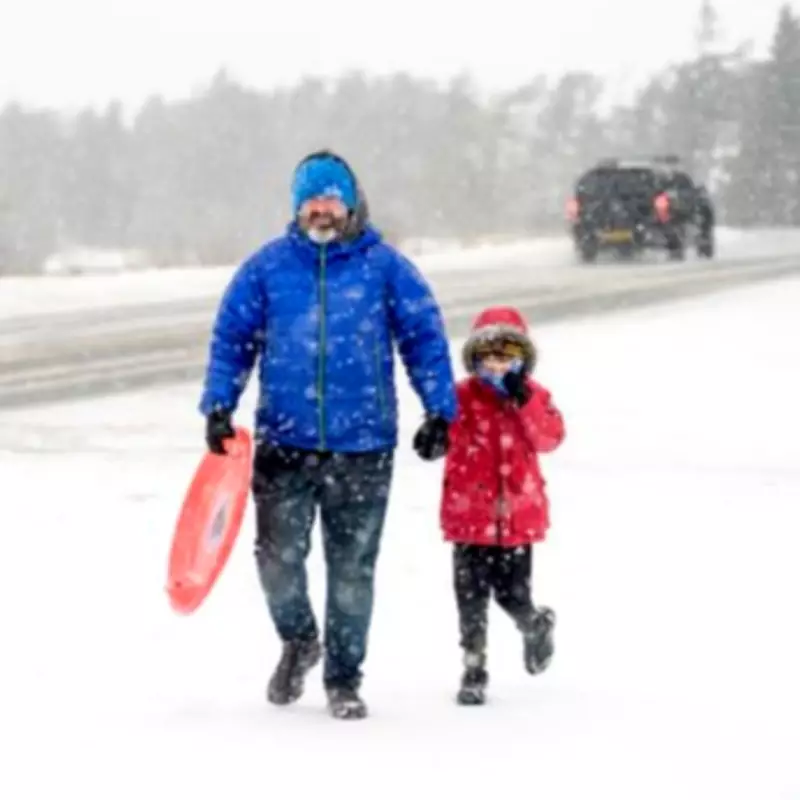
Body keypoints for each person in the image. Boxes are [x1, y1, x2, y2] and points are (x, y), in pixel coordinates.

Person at [198, 150, 456, 720]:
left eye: (331, 198)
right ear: (297, 206)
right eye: (311, 199)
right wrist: (219, 404)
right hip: (284, 442)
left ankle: (343, 678)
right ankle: (299, 640)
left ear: (350, 203)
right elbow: (232, 340)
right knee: (276, 560)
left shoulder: (386, 268)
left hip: (363, 445)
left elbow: (424, 338)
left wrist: (440, 410)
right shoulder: (266, 269)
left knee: (352, 570)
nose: (321, 209)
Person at [437, 306, 565, 705]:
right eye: (488, 355)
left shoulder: (535, 395)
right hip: (469, 516)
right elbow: (443, 431)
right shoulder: (460, 396)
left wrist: (526, 403)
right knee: (470, 598)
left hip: (516, 517)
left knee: (512, 596)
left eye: (507, 355)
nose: (497, 364)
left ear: (523, 358)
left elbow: (550, 438)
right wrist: (434, 432)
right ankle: (474, 667)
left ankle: (534, 623)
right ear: (474, 358)